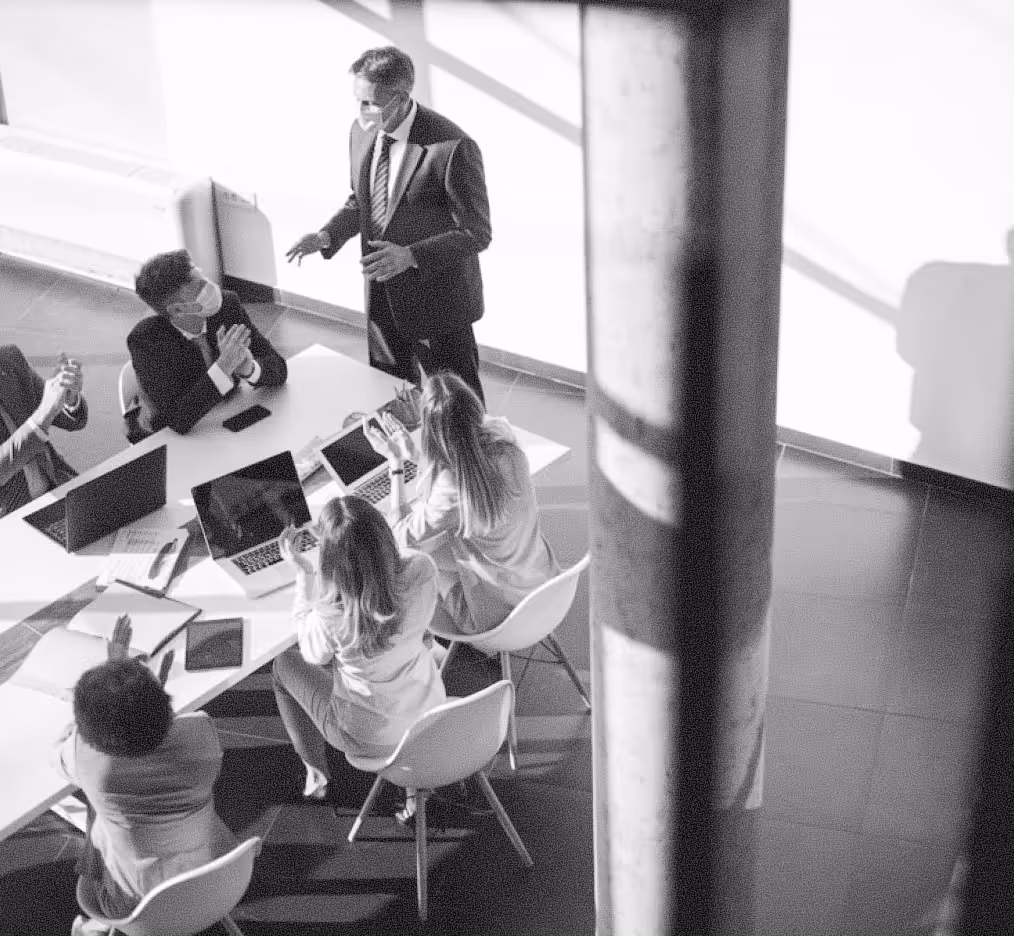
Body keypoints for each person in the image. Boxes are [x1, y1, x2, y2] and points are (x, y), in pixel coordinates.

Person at [285, 45, 491, 403]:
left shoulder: (452, 147)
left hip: (437, 299)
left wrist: (410, 255)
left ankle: (470, 457)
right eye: (358, 101)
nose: (362, 112)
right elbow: (360, 201)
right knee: (391, 393)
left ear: (401, 97)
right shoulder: (361, 132)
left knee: (457, 402)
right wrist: (325, 235)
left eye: (370, 103)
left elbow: (476, 232)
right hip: (381, 293)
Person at [57, 618, 235, 936]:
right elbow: (169, 731)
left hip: (134, 909)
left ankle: (93, 926)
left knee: (98, 819)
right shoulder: (202, 737)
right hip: (213, 884)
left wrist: (78, 727)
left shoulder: (88, 762)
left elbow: (60, 755)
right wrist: (136, 690)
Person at [271, 495, 446, 801]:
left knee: (283, 665)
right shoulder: (423, 570)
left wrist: (305, 574)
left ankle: (316, 774)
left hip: (368, 738)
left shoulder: (331, 613)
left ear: (330, 560)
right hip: (429, 713)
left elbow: (312, 654)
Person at [365, 371, 559, 636]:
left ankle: (408, 643)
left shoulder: (452, 485)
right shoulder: (508, 445)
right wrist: (415, 455)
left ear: (432, 430)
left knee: (409, 559)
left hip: (497, 617)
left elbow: (400, 534)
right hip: (545, 587)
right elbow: (470, 464)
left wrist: (395, 464)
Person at [127, 249, 287, 442]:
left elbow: (278, 367)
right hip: (184, 440)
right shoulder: (146, 341)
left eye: (204, 279)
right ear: (178, 310)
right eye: (201, 289)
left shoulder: (227, 305)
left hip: (231, 421)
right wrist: (223, 367)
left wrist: (249, 369)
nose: (212, 288)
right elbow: (178, 419)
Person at [0, 344, 87, 518]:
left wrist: (67, 396)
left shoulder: (9, 359)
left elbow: (69, 420)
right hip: (11, 523)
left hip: (59, 491)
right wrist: (41, 418)